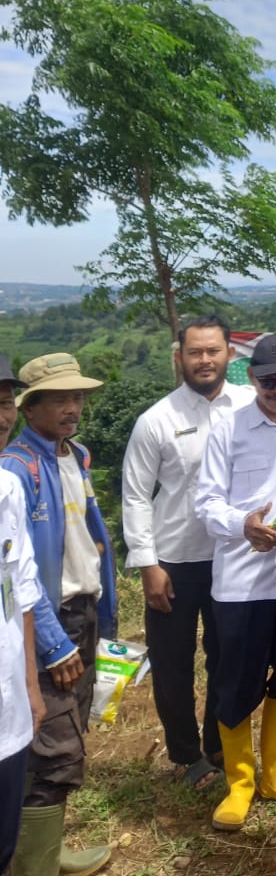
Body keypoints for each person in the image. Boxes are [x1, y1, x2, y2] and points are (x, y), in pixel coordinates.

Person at [122, 315, 253, 790]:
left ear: (229, 355)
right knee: (173, 663)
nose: (204, 360)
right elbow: (136, 496)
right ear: (179, 358)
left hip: (233, 557)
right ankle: (184, 755)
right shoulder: (157, 420)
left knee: (228, 657)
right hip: (174, 560)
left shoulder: (249, 407)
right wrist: (148, 564)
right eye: (194, 352)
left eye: (213, 351)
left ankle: (219, 746)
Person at [195, 333, 276, 831]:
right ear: (251, 378)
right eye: (269, 381)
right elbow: (207, 503)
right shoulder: (227, 430)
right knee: (236, 683)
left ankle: (275, 777)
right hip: (243, 582)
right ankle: (239, 783)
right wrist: (243, 524)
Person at [0, 354, 116, 876]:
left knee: (65, 731)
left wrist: (103, 618)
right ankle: (33, 864)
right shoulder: (17, 469)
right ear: (30, 408)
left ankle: (43, 850)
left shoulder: (76, 456)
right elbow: (21, 576)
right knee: (54, 748)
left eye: (78, 397)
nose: (73, 408)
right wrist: (52, 642)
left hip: (81, 615)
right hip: (52, 622)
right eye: (60, 400)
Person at [0, 358, 45, 874]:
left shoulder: (7, 488)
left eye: (4, 401)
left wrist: (31, 685)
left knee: (3, 843)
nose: (1, 415)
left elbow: (23, 591)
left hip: (9, 704)